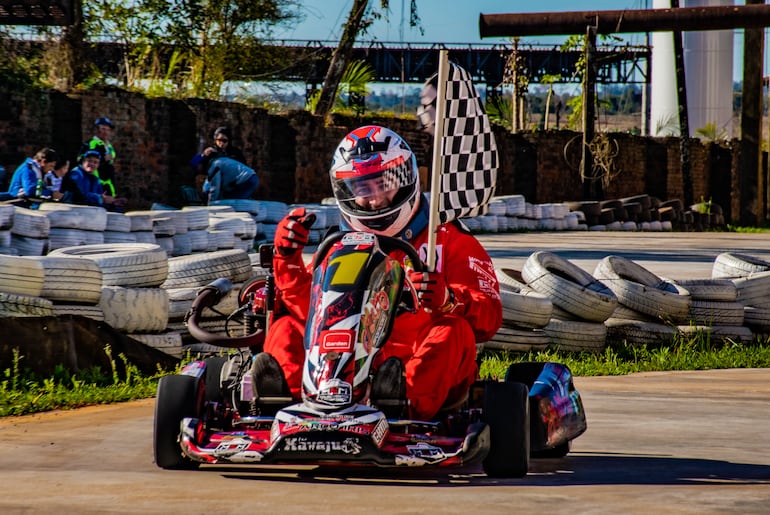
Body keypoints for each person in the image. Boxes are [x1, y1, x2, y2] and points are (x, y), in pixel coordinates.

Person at [258, 125, 503, 421]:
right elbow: (309, 312)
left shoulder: (450, 240)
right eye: (362, 188)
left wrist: (449, 299)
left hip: (416, 364)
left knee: (454, 330)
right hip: (345, 364)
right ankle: (286, 404)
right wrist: (287, 259)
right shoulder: (339, 247)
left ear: (405, 178)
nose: (374, 200)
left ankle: (400, 405)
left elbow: (489, 317)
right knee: (285, 327)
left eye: (384, 183)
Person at [60, 150, 125, 209]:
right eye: (89, 161)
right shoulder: (76, 174)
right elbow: (80, 195)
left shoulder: (95, 179)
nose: (92, 164)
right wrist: (100, 198)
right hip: (74, 207)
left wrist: (112, 201)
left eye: (95, 162)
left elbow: (100, 196)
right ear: (83, 161)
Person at [80, 117, 118, 197]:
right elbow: (82, 161)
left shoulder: (109, 145)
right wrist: (103, 159)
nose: (106, 132)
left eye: (108, 130)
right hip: (95, 182)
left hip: (108, 183)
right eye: (103, 129)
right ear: (97, 129)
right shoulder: (91, 144)